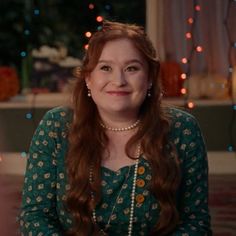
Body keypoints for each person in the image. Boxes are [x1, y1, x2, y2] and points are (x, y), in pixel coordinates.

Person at [19, 21, 211, 236]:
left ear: (149, 79)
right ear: (88, 78)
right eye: (105, 68)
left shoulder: (182, 130)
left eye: (132, 68)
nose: (118, 81)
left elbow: (196, 223)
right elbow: (35, 218)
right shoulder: (56, 126)